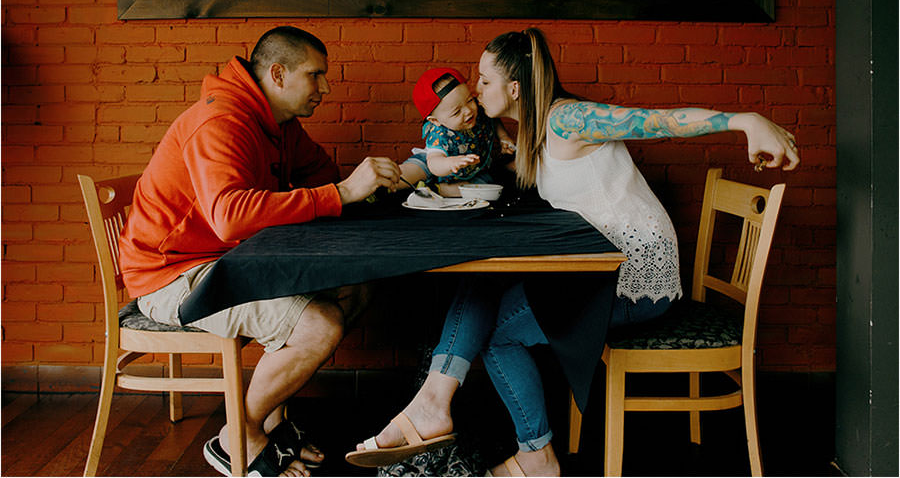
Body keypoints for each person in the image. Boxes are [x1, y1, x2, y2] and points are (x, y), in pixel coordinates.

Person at [346, 28, 800, 476]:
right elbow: (444, 156)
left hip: (635, 278)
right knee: (480, 284)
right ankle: (437, 407)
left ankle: (529, 453)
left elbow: (657, 121)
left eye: (484, 80)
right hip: (597, 268)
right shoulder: (531, 129)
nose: (477, 88)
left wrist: (744, 120)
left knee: (497, 330)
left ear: (515, 88)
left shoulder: (570, 118)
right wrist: (405, 173)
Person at [117, 26, 403, 477]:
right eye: (316, 75)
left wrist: (391, 182)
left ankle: (268, 422)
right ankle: (239, 436)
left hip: (227, 263)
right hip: (171, 277)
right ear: (277, 74)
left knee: (356, 288)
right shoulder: (223, 121)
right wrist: (344, 191)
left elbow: (323, 178)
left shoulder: (280, 125)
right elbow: (230, 216)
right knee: (319, 325)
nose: (325, 87)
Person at [400, 67, 515, 197]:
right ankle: (391, 183)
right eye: (456, 112)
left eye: (470, 100)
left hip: (470, 171)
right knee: (415, 169)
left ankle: (434, 189)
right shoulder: (439, 134)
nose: (468, 111)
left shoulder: (480, 111)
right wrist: (451, 163)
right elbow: (434, 164)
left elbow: (494, 120)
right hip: (436, 163)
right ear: (435, 121)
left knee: (485, 185)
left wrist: (503, 136)